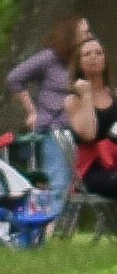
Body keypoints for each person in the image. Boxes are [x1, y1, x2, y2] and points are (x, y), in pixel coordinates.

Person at [6, 14, 89, 214]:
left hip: (77, 132)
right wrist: (32, 111)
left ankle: (53, 228)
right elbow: (15, 78)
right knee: (57, 182)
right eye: (85, 32)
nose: (89, 36)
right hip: (54, 131)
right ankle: (45, 229)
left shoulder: (83, 62)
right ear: (71, 35)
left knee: (69, 184)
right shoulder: (49, 58)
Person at [64, 36, 117, 198]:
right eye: (87, 54)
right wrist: (86, 95)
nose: (93, 57)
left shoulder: (114, 95)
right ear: (79, 63)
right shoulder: (73, 100)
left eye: (98, 53)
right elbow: (89, 135)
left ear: (105, 60)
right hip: (92, 169)